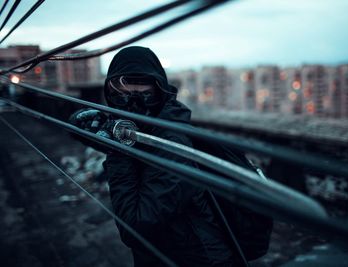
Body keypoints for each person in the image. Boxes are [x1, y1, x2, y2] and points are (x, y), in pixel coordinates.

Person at [70, 46, 238, 266]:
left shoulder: (171, 141)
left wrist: (118, 152)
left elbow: (136, 227)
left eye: (145, 96)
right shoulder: (144, 128)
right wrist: (83, 123)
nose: (134, 106)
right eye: (122, 97)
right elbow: (136, 152)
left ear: (160, 93)